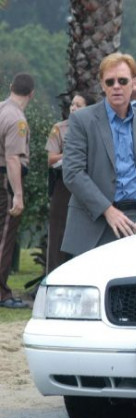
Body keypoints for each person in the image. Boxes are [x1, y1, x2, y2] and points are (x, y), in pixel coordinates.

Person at [62, 53, 136, 256]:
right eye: (110, 82)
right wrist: (107, 210)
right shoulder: (82, 120)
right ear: (102, 86)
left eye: (122, 81)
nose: (116, 87)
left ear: (134, 83)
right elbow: (72, 172)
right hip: (94, 221)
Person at [45, 92, 96, 274]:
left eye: (78, 105)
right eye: (72, 104)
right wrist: (71, 155)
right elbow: (51, 159)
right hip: (64, 184)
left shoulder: (96, 129)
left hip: (88, 184)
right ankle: (54, 274)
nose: (73, 108)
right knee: (58, 231)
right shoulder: (60, 128)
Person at [0, 73, 34, 309]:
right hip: (5, 180)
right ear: (31, 94)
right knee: (4, 236)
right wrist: (18, 195)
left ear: (11, 87)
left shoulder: (1, 109)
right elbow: (13, 158)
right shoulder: (17, 120)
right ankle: (1, 293)